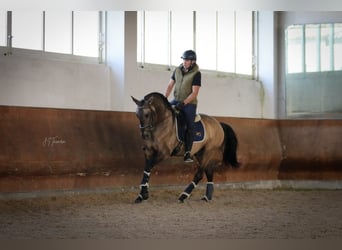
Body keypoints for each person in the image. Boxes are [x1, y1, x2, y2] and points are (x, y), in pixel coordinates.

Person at [165, 50, 201, 163]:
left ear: (192, 62)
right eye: (183, 60)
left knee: (190, 126)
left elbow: (194, 93)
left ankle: (187, 153)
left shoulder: (196, 74)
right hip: (176, 100)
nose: (184, 62)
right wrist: (164, 98)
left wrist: (184, 103)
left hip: (189, 103)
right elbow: (170, 85)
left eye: (187, 60)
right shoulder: (177, 70)